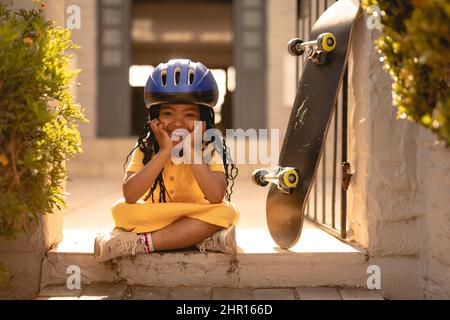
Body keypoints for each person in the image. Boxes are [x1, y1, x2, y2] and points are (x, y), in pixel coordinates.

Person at [94, 59, 240, 262]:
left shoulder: (207, 148)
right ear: (155, 119)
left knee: (225, 211)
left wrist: (191, 152)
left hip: (194, 214)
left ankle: (139, 243)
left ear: (203, 121)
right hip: (157, 215)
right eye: (168, 113)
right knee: (122, 211)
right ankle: (203, 239)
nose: (178, 122)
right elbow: (130, 194)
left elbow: (216, 196)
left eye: (189, 114)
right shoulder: (146, 148)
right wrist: (163, 153)